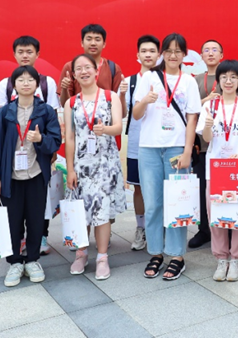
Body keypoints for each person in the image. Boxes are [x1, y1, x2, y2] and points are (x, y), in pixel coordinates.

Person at [0, 66, 61, 287]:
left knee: (36, 220)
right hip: (11, 177)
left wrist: (40, 139)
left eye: (30, 80)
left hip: (36, 174)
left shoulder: (46, 111)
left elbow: (55, 141)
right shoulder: (5, 113)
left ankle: (33, 260)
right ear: (14, 85)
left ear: (37, 85)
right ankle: (15, 262)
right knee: (12, 220)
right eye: (21, 80)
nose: (26, 83)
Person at [133, 33, 201, 281]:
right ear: (162, 53)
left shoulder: (189, 82)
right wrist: (145, 101)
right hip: (149, 147)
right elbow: (136, 114)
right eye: (169, 51)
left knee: (177, 203)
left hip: (176, 149)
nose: (173, 55)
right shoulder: (149, 78)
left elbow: (192, 119)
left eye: (178, 51)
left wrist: (187, 151)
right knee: (153, 204)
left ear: (184, 54)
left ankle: (177, 256)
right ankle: (156, 253)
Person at [64, 53, 128, 280]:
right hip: (81, 167)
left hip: (105, 165)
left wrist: (105, 130)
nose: (84, 71)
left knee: (102, 211)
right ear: (74, 75)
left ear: (96, 70)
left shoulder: (110, 97)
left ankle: (102, 257)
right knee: (80, 211)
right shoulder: (71, 103)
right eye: (78, 69)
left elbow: (118, 127)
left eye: (87, 67)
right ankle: (81, 254)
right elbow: (69, 138)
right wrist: (70, 169)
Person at [198, 59, 238, 281]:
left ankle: (236, 260)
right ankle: (221, 259)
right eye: (224, 77)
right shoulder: (210, 107)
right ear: (218, 80)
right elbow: (207, 139)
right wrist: (207, 126)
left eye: (233, 77)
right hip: (215, 169)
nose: (228, 81)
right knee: (215, 214)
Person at [189, 39, 228, 249]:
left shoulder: (229, 78)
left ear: (222, 55)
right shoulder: (194, 80)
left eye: (215, 50)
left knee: (224, 190)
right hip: (201, 146)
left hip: (225, 147)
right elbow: (188, 110)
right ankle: (204, 230)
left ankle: (226, 229)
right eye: (206, 50)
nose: (210, 53)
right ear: (201, 56)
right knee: (202, 190)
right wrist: (206, 101)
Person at [125, 35, 161, 252]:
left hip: (161, 143)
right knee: (138, 188)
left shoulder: (166, 79)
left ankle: (160, 227)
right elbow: (125, 112)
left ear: (159, 55)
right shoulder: (130, 82)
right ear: (137, 55)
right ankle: (141, 228)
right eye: (144, 51)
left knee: (160, 188)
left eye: (152, 51)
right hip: (137, 143)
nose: (148, 55)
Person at [58, 24, 127, 117]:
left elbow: (120, 111)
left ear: (104, 44)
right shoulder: (70, 67)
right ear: (82, 43)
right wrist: (64, 89)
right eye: (89, 39)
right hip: (79, 120)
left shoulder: (113, 68)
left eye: (97, 39)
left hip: (105, 122)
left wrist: (123, 94)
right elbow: (65, 104)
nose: (93, 43)